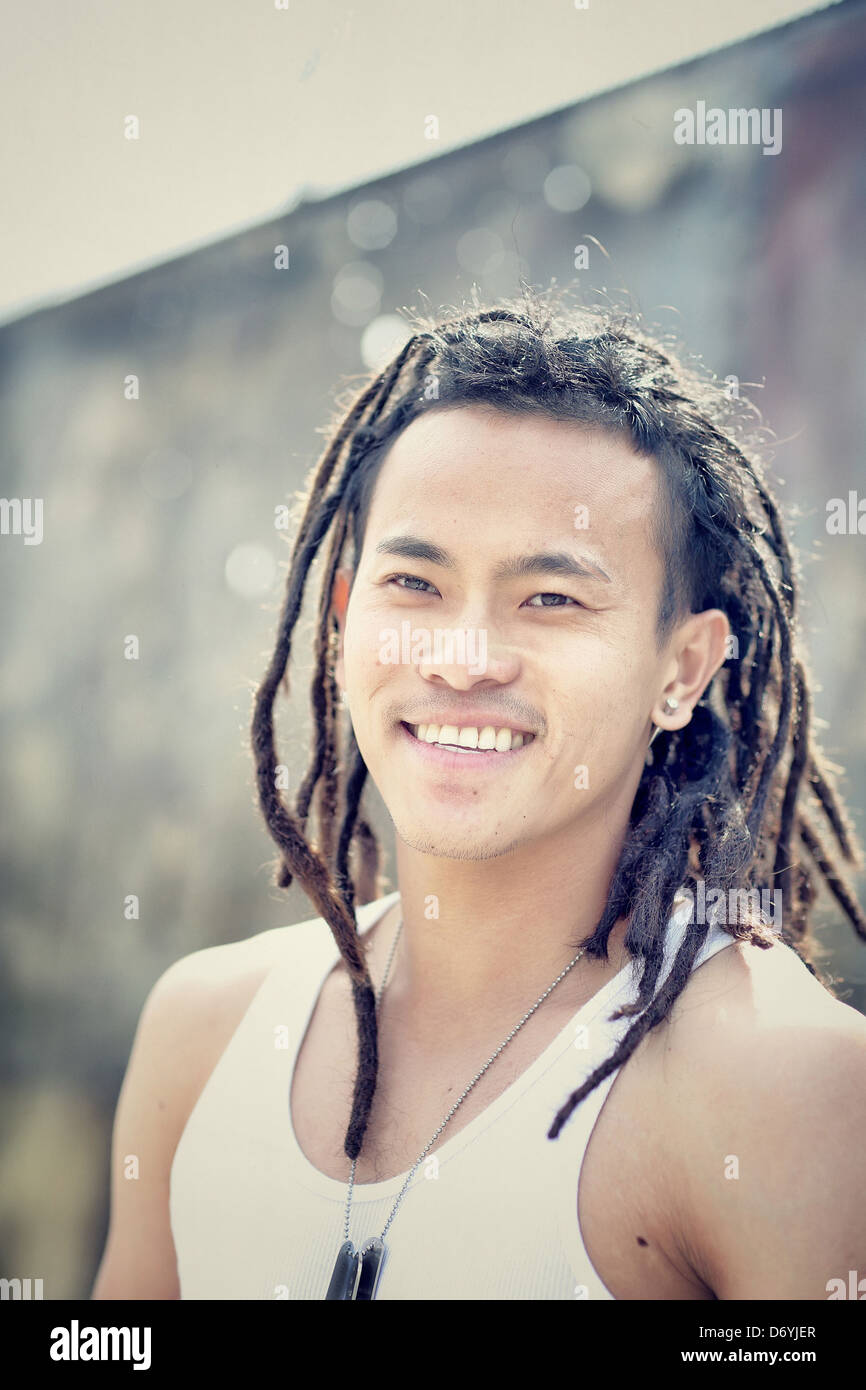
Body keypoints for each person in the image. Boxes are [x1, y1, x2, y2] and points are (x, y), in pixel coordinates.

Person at [92, 290, 866, 1300]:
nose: (461, 660)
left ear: (681, 668)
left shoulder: (783, 1084)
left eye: (549, 598)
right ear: (342, 618)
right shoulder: (203, 1030)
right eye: (413, 584)